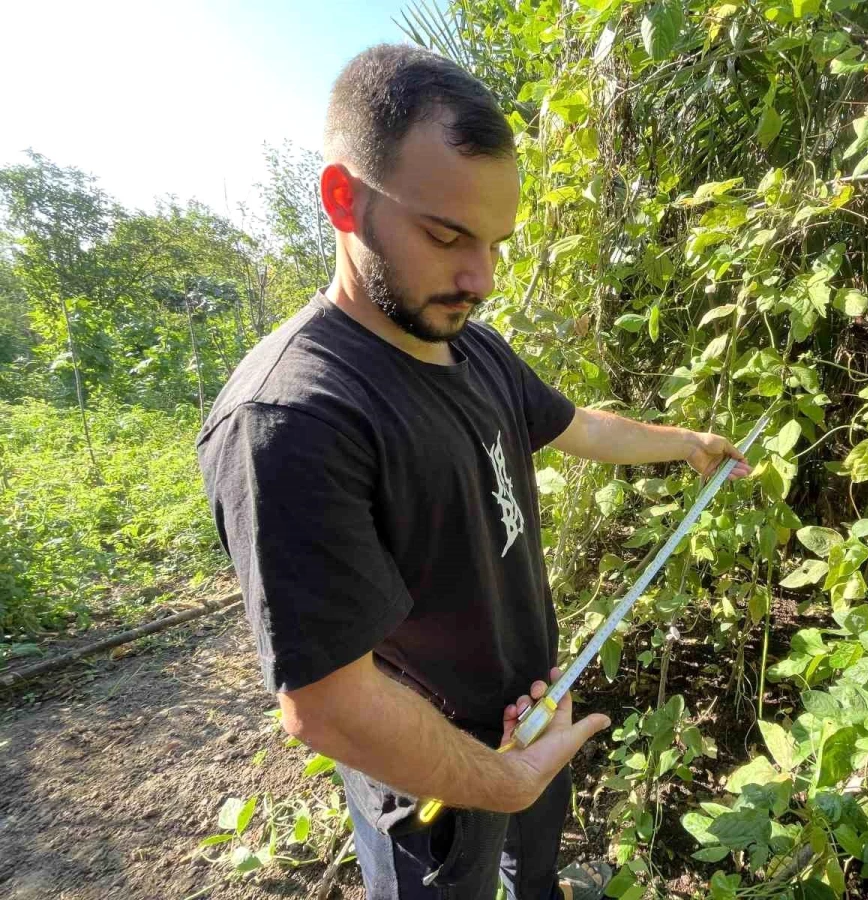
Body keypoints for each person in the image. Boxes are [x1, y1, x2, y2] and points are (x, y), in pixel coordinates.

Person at [196, 44, 750, 900]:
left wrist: (685, 443)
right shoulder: (292, 419)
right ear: (343, 199)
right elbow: (329, 705)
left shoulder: (470, 345)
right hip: (425, 777)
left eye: (494, 242)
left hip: (532, 711)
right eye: (447, 235)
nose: (481, 278)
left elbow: (576, 427)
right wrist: (501, 779)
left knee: (533, 880)